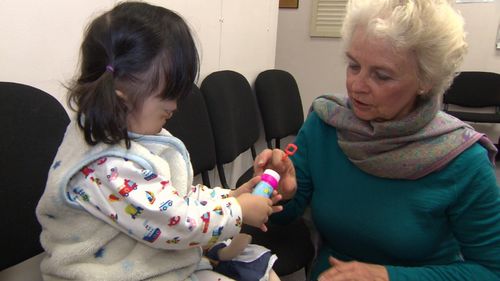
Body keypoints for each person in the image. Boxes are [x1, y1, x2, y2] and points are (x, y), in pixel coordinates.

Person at [254, 0, 500, 280]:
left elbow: (490, 270)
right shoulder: (326, 124)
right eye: (353, 65)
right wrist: (279, 194)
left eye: (381, 76)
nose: (357, 86)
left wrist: (388, 276)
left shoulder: (462, 158)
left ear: (426, 80)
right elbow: (281, 219)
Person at [35, 2, 282, 280]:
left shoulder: (132, 131)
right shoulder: (107, 166)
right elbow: (176, 221)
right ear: (121, 101)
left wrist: (232, 196)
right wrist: (236, 212)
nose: (175, 107)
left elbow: (172, 197)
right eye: (167, 100)